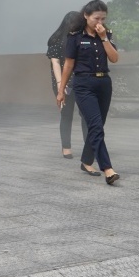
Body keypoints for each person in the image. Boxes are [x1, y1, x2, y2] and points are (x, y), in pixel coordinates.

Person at [57, 0, 120, 185]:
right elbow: (68, 65)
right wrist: (62, 91)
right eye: (96, 18)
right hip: (83, 84)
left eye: (103, 18)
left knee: (98, 125)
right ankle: (108, 168)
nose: (99, 21)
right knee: (95, 125)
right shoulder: (75, 36)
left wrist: (103, 38)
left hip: (104, 83)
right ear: (86, 15)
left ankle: (86, 161)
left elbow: (114, 58)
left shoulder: (107, 34)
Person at [47, 11, 92, 165]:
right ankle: (66, 147)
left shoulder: (81, 38)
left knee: (86, 115)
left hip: (80, 81)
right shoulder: (56, 39)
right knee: (66, 114)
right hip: (62, 82)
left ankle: (89, 147)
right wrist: (61, 85)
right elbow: (55, 63)